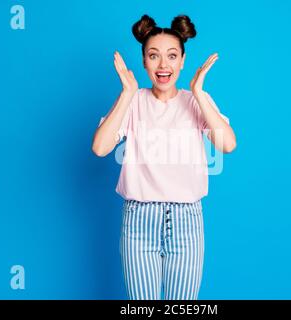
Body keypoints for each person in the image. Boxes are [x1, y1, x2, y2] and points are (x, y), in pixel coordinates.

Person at [92, 14, 236, 300]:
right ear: (144, 62)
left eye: (171, 56)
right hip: (139, 220)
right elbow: (100, 147)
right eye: (153, 56)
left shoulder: (195, 102)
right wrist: (127, 92)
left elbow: (228, 144)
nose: (163, 65)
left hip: (186, 220)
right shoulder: (133, 102)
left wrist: (198, 92)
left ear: (182, 60)